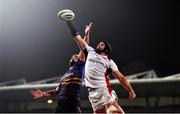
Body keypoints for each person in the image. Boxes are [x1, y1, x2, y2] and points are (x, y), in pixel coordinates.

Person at [65, 21, 136, 114]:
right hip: (92, 95)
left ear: (106, 50)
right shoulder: (90, 51)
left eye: (101, 44)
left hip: (104, 91)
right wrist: (68, 21)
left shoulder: (109, 62)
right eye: (99, 43)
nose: (98, 44)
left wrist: (131, 91)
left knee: (114, 111)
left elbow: (121, 77)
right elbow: (77, 37)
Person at [31, 22, 92, 113]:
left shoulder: (79, 66)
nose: (76, 56)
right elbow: (56, 91)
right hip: (60, 105)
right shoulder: (65, 75)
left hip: (73, 104)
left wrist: (86, 34)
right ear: (70, 60)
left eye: (77, 55)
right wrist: (43, 94)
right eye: (74, 56)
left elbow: (83, 47)